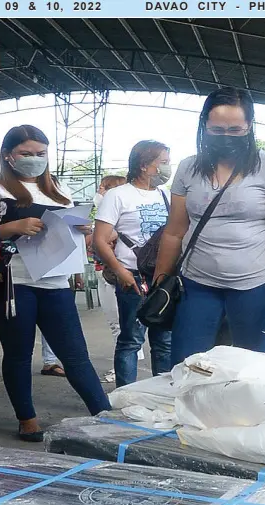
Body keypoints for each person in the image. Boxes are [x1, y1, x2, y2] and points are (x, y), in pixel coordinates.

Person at [153, 87, 265, 365]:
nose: (226, 137)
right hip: (197, 283)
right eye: (217, 130)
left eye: (235, 130)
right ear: (204, 126)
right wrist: (161, 279)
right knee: (186, 364)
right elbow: (175, 231)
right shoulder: (188, 168)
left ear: (249, 127)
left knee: (253, 367)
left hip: (258, 283)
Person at [0, 125, 110, 442]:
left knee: (75, 354)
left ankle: (104, 415)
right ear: (8, 155)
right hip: (14, 282)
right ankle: (27, 419)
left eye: (41, 154)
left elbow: (71, 226)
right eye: (26, 154)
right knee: (19, 354)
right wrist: (14, 226)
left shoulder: (57, 188)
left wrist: (82, 228)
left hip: (55, 282)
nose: (35, 160)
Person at [93, 141, 173, 388]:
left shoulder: (167, 195)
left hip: (163, 279)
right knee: (131, 339)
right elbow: (100, 240)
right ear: (144, 165)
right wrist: (120, 272)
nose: (168, 168)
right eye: (164, 162)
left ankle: (162, 394)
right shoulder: (118, 196)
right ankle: (126, 396)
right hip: (133, 277)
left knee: (165, 340)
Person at [91, 174, 132, 383]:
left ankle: (123, 371)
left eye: (104, 188)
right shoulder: (102, 213)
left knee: (120, 325)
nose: (99, 192)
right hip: (105, 271)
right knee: (117, 323)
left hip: (114, 273)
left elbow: (100, 239)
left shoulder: (115, 215)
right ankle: (124, 368)